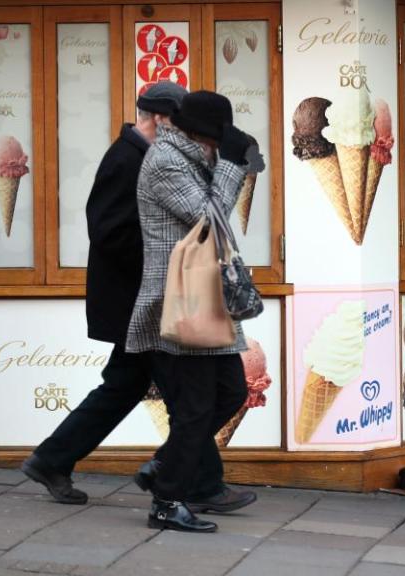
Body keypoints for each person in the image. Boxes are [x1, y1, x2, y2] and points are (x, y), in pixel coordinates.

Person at [21, 84, 256, 520]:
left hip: (174, 298)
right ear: (161, 118)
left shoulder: (174, 155)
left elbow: (206, 218)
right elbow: (112, 232)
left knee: (159, 393)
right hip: (153, 300)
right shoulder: (137, 158)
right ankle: (180, 486)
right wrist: (157, 274)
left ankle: (171, 476)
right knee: (185, 401)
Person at [127, 90, 256, 533]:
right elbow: (210, 218)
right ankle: (166, 501)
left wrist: (227, 163)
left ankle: (166, 464)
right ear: (203, 134)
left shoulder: (190, 155)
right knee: (197, 408)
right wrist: (231, 166)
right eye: (219, 138)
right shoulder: (165, 160)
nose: (223, 146)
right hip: (182, 302)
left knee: (231, 393)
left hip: (206, 297)